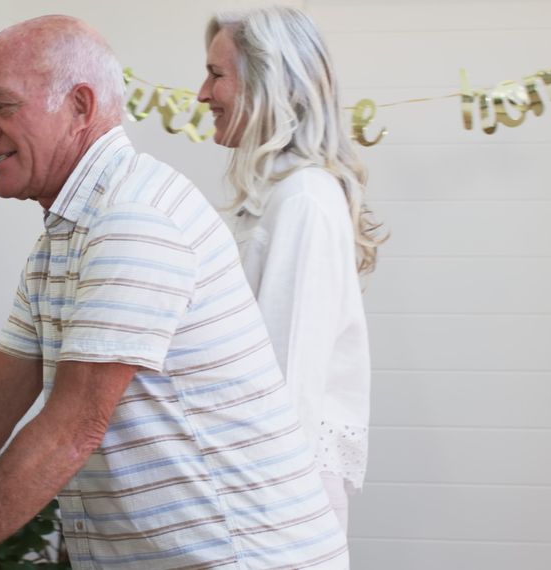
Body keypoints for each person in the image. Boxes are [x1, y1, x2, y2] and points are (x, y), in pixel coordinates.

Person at [0, 15, 347, 570]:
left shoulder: (132, 218)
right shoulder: (66, 233)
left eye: (2, 105)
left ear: (79, 106)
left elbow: (72, 428)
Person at [196, 6, 386, 531]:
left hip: (278, 497)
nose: (202, 94)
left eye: (216, 75)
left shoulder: (303, 201)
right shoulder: (276, 197)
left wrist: (260, 521)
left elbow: (288, 384)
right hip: (259, 486)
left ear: (266, 86)